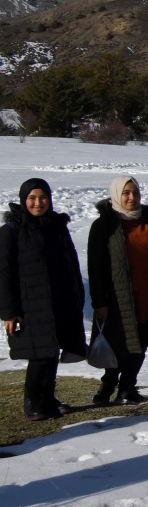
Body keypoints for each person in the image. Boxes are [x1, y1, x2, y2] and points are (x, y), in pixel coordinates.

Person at [0, 179, 86, 421]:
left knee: (51, 351)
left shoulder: (57, 227)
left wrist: (77, 297)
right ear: (23, 200)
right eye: (32, 198)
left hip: (58, 302)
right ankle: (32, 402)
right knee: (38, 355)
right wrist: (8, 311)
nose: (38, 203)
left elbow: (70, 264)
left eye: (43, 197)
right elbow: (3, 273)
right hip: (29, 305)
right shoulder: (11, 231)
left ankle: (47, 398)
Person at [87, 176, 148, 405]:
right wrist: (99, 302)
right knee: (117, 343)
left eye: (135, 193)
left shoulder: (147, 221)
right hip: (116, 297)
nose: (131, 197)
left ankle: (128, 387)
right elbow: (95, 267)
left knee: (142, 340)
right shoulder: (104, 225)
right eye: (126, 193)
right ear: (116, 194)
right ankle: (106, 388)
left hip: (147, 293)